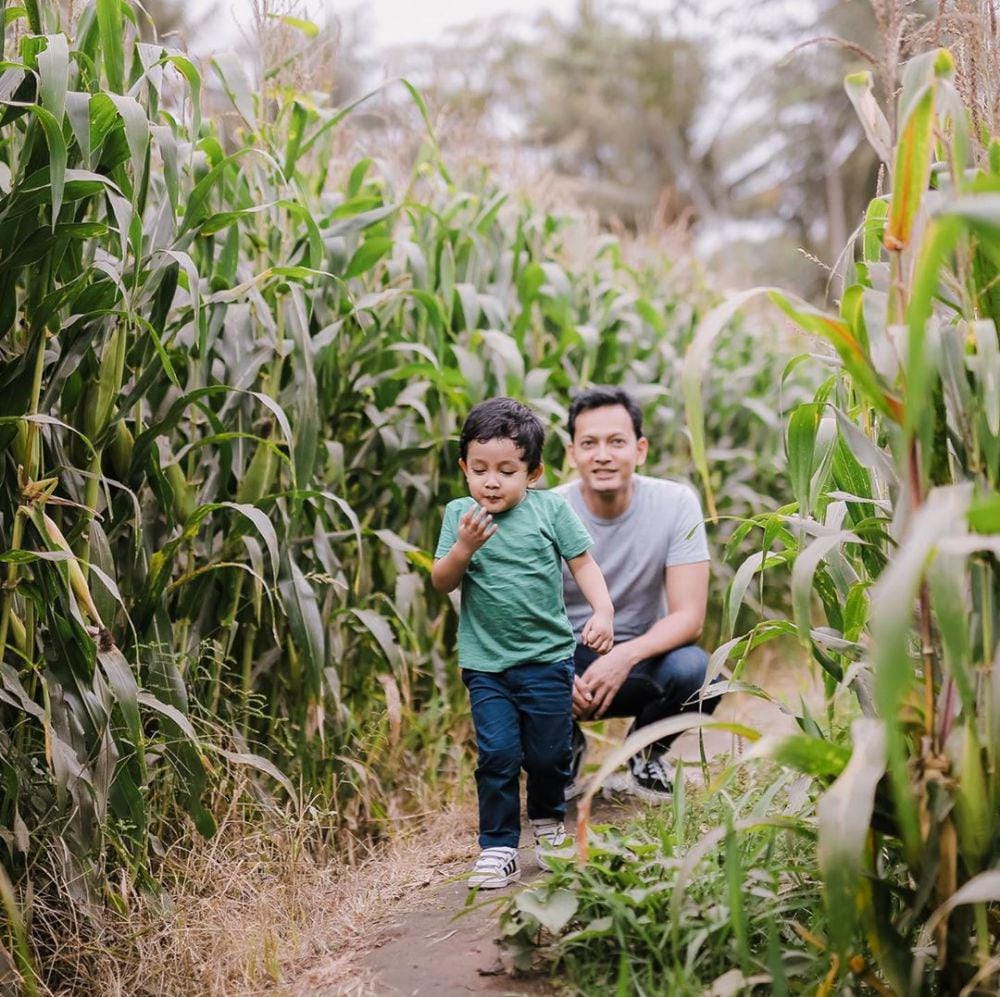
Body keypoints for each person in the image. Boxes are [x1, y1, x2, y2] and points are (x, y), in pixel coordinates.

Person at [432, 398, 615, 889]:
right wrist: (464, 548)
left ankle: (551, 824)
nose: (491, 481)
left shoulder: (551, 510)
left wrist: (603, 610)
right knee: (497, 754)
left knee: (548, 755)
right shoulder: (460, 516)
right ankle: (498, 847)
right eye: (480, 469)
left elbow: (583, 565)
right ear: (464, 468)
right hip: (486, 664)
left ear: (532, 473)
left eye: (506, 470)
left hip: (547, 661)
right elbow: (441, 581)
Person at [556, 386, 716, 801]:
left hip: (640, 660)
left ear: (640, 450)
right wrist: (552, 668)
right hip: (565, 661)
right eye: (589, 443)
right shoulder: (547, 512)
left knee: (699, 672)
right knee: (509, 671)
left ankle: (645, 756)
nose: (603, 455)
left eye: (617, 442)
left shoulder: (675, 503)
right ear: (572, 453)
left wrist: (623, 656)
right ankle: (561, 751)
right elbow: (522, 617)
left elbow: (689, 617)